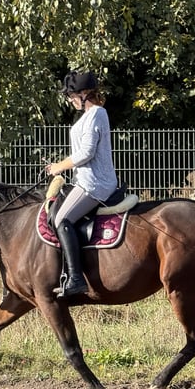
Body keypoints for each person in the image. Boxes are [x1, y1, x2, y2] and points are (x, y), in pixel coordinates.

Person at [44, 70, 118, 297]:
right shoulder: (87, 116)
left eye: (71, 95)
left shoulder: (97, 113)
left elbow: (86, 152)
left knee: (62, 219)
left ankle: (75, 278)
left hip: (95, 184)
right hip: (84, 180)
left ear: (85, 93)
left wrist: (59, 167)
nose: (70, 99)